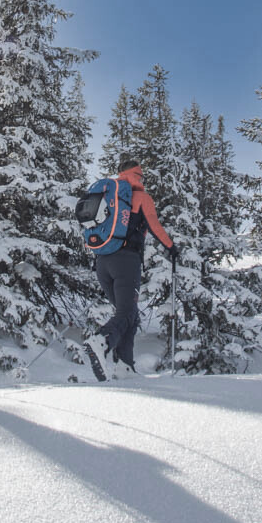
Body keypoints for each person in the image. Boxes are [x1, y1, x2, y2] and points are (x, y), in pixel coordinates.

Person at [83, 160, 176, 381]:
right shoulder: (141, 198)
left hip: (102, 262)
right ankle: (102, 340)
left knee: (129, 315)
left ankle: (125, 367)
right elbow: (154, 225)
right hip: (126, 262)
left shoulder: (109, 196)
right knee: (126, 313)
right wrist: (172, 248)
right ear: (138, 175)